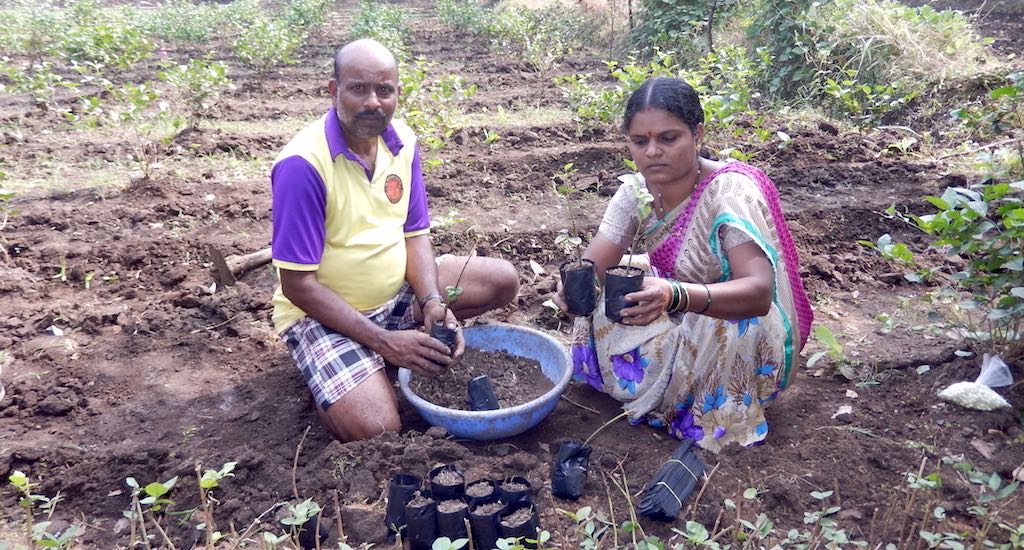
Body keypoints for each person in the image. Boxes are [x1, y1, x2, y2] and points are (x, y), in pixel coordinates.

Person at [269, 39, 519, 442]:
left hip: (395, 296)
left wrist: (432, 301)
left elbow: (414, 233)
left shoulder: (402, 143)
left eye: (384, 90)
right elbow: (297, 285)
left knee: (502, 279)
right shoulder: (302, 166)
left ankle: (379, 356)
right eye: (358, 88)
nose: (373, 102)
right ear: (334, 91)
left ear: (398, 93)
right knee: (378, 429)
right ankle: (334, 373)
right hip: (324, 316)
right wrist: (384, 343)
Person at [555, 77, 813, 453]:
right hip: (678, 303)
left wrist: (674, 295)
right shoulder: (637, 191)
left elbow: (758, 293)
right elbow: (597, 259)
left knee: (734, 327)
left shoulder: (729, 192)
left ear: (697, 134)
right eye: (640, 142)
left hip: (736, 325)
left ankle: (713, 413)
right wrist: (572, 285)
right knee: (606, 287)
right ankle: (655, 387)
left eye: (668, 138)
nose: (653, 152)